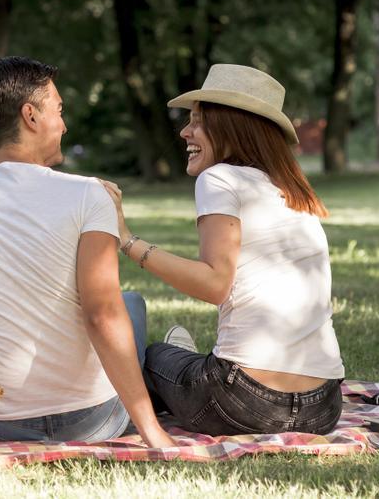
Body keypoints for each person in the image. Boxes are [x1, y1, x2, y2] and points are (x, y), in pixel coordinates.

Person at [0, 56, 173, 447]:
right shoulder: (88, 194)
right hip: (90, 421)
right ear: (31, 116)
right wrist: (152, 431)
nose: (64, 124)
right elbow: (101, 315)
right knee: (128, 305)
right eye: (58, 110)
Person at [101, 64, 345, 436]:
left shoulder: (219, 178)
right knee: (180, 362)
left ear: (232, 126)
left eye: (198, 121)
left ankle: (183, 363)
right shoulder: (292, 193)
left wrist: (127, 240)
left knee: (154, 357)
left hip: (245, 404)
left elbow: (215, 284)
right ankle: (192, 363)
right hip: (324, 408)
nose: (185, 132)